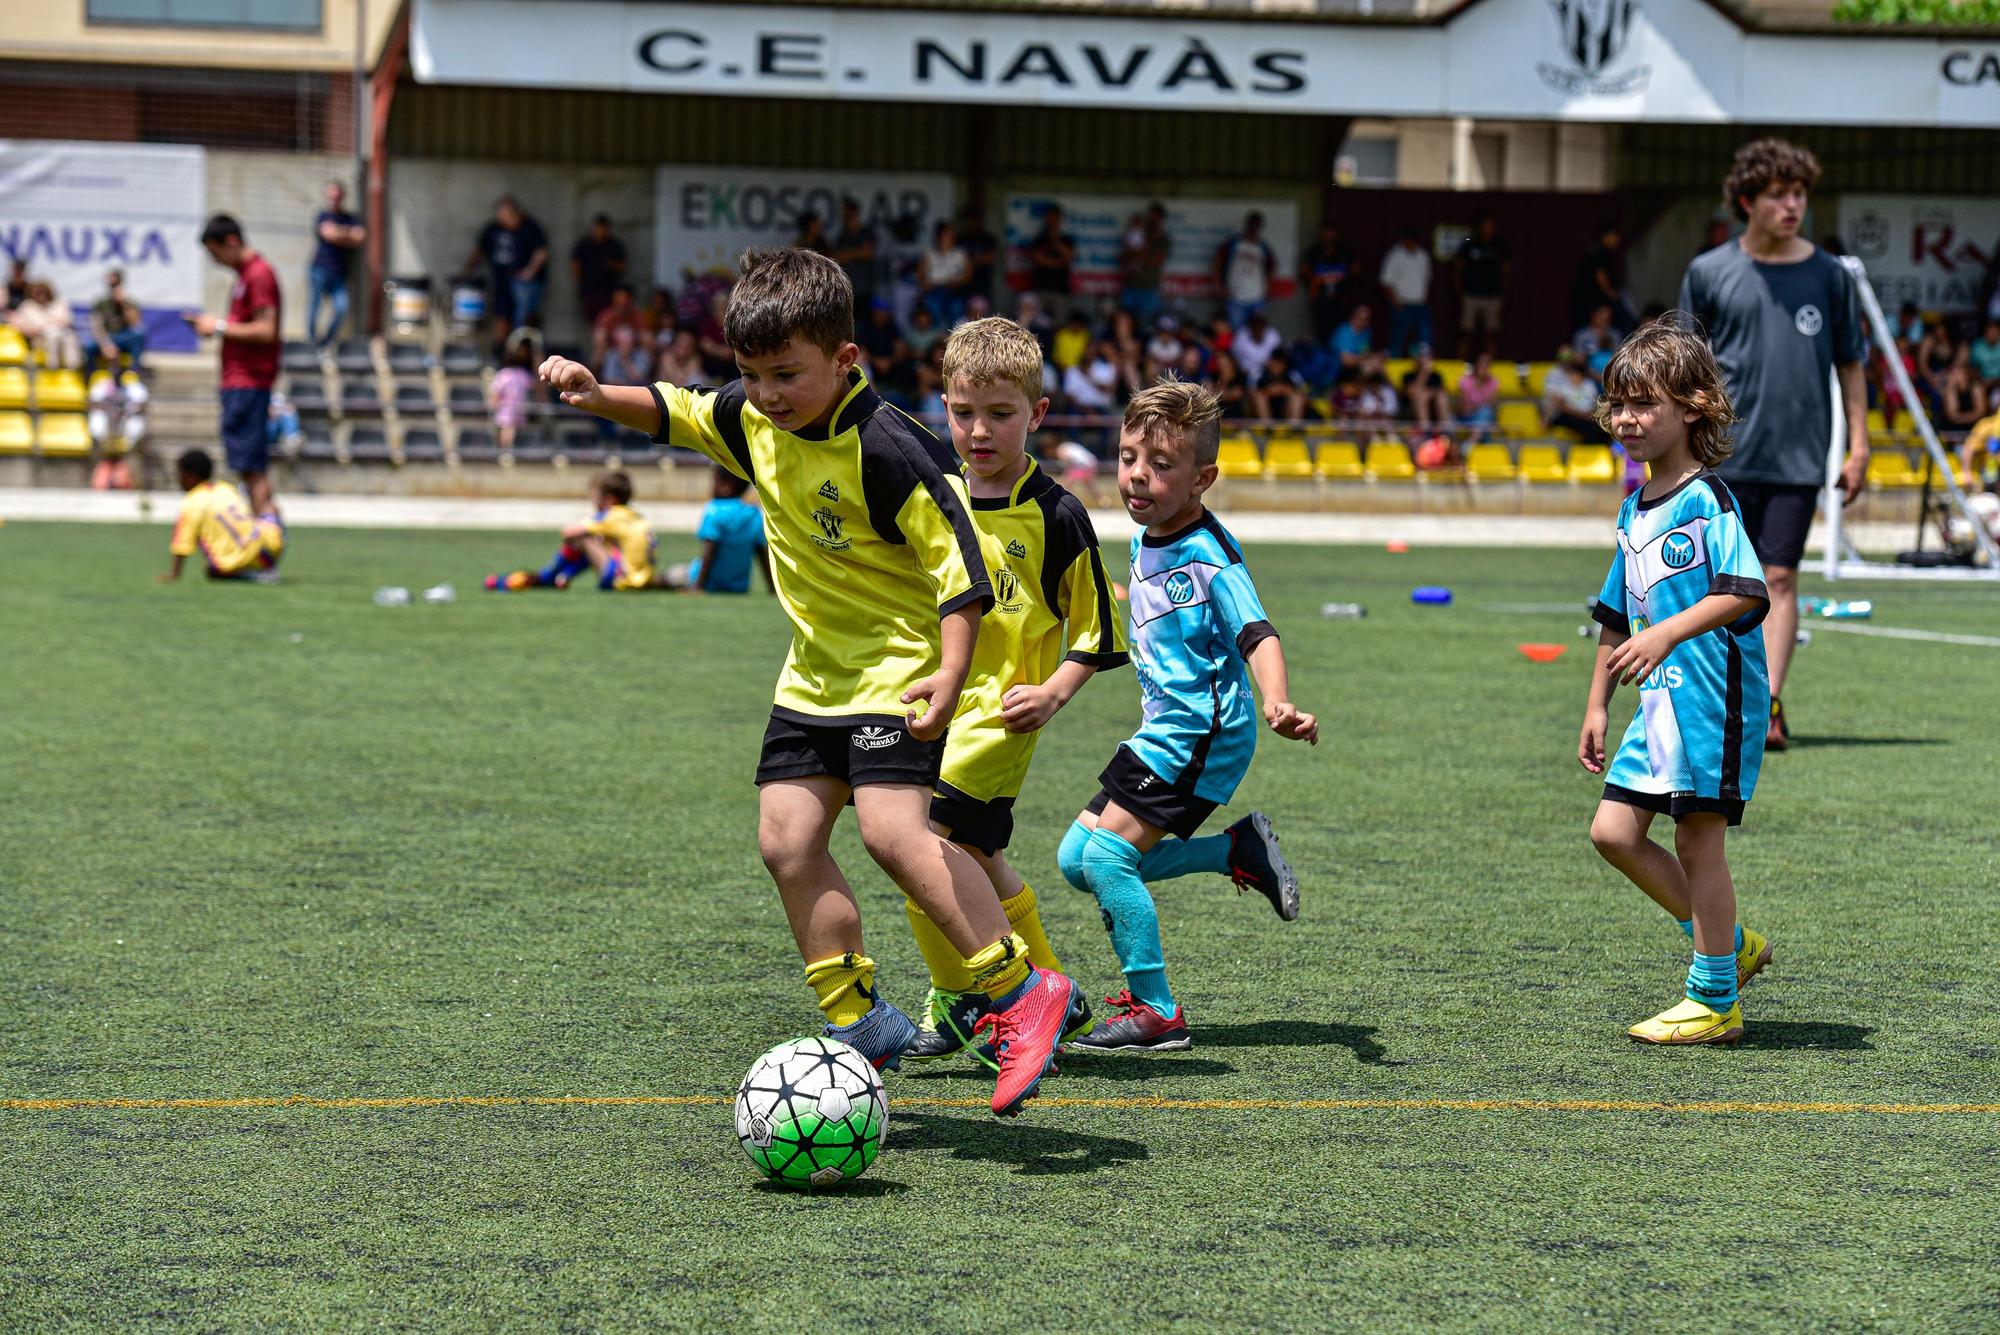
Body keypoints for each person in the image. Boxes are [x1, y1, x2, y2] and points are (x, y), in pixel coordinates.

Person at [535, 246, 1078, 1116]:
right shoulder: (753, 418)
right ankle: (861, 1022)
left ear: (846, 360)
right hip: (813, 679)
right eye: (752, 374)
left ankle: (1020, 993)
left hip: (898, 671)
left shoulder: (892, 448)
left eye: (787, 374)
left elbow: (960, 573)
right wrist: (600, 396)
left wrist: (948, 672)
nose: (768, 394)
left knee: (896, 836)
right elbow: (676, 410)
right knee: (786, 840)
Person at [1052, 381, 1317, 1053]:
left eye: (1161, 464)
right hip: (1164, 728)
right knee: (1076, 859)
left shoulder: (1209, 554)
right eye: (1128, 456)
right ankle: (1235, 849)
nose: (1138, 475)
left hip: (1203, 733)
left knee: (1110, 859)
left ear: (1203, 478)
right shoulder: (1147, 538)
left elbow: (1258, 631)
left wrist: (1276, 698)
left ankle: (1156, 1010)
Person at [898, 317, 1127, 1063]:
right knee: (980, 860)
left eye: (1000, 414)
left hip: (1001, 714)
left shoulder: (1059, 513)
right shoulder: (934, 497)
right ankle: (1052, 990)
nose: (978, 430)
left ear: (1038, 415)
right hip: (936, 703)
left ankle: (972, 998)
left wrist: (1053, 692)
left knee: (919, 845)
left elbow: (1098, 632)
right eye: (963, 413)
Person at [1579, 317, 1775, 1047]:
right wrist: (1597, 704)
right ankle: (1731, 944)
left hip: (1713, 701)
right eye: (1618, 404)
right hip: (1658, 708)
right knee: (1613, 831)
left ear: (1693, 406)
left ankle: (1714, 997)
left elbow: (1745, 591)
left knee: (1698, 842)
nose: (1627, 419)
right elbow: (1611, 614)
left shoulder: (1707, 500)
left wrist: (1665, 631)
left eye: (1644, 403)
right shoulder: (1635, 509)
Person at [1678, 137, 1868, 752]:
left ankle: (1769, 707)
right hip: (1720, 456)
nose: (1793, 206)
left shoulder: (1830, 275)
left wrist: (1859, 446)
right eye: (1779, 195)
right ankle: (1715, 701)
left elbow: (1851, 364)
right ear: (1746, 201)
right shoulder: (1708, 272)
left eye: (1800, 194)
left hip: (1797, 455)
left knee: (1780, 577)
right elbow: (1682, 365)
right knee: (1716, 585)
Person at [186, 215, 282, 521]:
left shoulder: (258, 275)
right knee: (248, 468)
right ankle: (262, 545)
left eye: (215, 253)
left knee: (252, 470)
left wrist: (218, 326)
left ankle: (267, 550)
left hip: (249, 382)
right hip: (240, 383)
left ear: (231, 242)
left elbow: (267, 329)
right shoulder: (245, 277)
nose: (215, 261)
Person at [485, 470, 660, 592]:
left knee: (583, 539)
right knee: (597, 541)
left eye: (594, 497)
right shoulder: (635, 516)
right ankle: (563, 577)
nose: (592, 503)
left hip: (621, 581)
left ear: (608, 500)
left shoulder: (611, 515)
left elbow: (568, 533)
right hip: (644, 581)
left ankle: (547, 577)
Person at [158, 448, 284, 584]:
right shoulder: (226, 488)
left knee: (213, 569)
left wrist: (174, 575)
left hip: (237, 562)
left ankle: (249, 574)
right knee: (271, 509)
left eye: (180, 474)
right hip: (269, 551)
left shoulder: (191, 503)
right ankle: (263, 568)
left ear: (191, 476)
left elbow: (181, 546)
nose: (178, 478)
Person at [461, 196, 550, 351]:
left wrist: (529, 271)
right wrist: (466, 272)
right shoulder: (493, 229)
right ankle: (501, 356)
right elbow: (479, 251)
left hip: (524, 285)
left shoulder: (530, 227)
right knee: (501, 318)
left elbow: (541, 252)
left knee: (522, 320)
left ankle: (521, 355)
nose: (504, 220)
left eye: (507, 216)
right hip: (501, 282)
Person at [666, 468, 770, 595]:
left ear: (726, 486)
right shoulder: (754, 514)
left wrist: (698, 586)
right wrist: (773, 587)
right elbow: (761, 553)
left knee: (666, 578)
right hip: (737, 587)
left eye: (714, 481)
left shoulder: (714, 510)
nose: (711, 487)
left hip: (704, 581)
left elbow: (709, 552)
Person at [307, 181, 365, 349]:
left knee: (342, 307)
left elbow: (359, 238)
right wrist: (347, 234)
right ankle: (311, 344)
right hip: (319, 269)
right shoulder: (322, 216)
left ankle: (325, 342)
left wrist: (338, 233)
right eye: (331, 196)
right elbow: (329, 234)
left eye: (337, 196)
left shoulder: (350, 218)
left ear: (342, 197)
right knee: (314, 309)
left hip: (339, 273)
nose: (334, 199)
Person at [1455, 215, 1510, 356]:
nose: (1487, 230)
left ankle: (1489, 368)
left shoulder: (1499, 245)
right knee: (1465, 331)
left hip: (1492, 295)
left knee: (1490, 333)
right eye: (1485, 226)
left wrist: (1502, 291)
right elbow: (1459, 266)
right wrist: (1460, 289)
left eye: (1490, 227)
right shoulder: (1469, 242)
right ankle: (1461, 364)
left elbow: (1506, 269)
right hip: (1471, 294)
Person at [1214, 211, 1275, 330]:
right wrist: (1219, 286)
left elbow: (1271, 267)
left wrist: (1266, 287)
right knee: (1237, 332)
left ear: (1260, 227)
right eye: (1251, 225)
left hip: (1256, 296)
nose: (1253, 228)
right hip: (1234, 295)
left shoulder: (1263, 246)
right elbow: (1217, 264)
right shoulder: (1233, 243)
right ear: (1246, 225)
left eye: (1256, 225)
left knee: (1256, 330)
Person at [1380, 227, 1433, 358]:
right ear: (1403, 241)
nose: (1411, 244)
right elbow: (1386, 281)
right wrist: (1395, 302)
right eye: (1408, 241)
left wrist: (1424, 298)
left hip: (1419, 304)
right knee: (1398, 338)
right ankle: (1394, 366)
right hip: (1401, 304)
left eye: (1413, 241)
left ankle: (1423, 368)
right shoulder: (1394, 255)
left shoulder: (1423, 255)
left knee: (1424, 339)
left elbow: (1427, 279)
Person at [84, 269, 146, 377]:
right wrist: (106, 344)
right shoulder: (101, 303)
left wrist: (124, 304)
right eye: (111, 285)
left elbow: (135, 323)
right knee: (88, 347)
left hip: (123, 337)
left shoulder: (129, 303)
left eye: (116, 285)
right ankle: (91, 375)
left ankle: (134, 370)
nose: (114, 288)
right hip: (107, 337)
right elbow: (96, 327)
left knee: (139, 335)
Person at [1572, 222, 1634, 330]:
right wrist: (1612, 295)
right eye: (1615, 237)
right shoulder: (1599, 252)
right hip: (1592, 302)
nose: (1617, 241)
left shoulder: (1598, 252)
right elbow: (1600, 276)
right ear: (1607, 236)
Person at [9, 280, 82, 370]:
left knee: (69, 337)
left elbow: (68, 320)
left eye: (43, 291)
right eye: (37, 292)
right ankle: (52, 370)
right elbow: (14, 322)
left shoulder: (59, 303)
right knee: (53, 337)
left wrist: (53, 325)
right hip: (40, 339)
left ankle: (72, 370)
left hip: (62, 336)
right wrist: (32, 330)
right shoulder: (27, 306)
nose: (41, 295)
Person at [569, 214, 627, 327]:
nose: (600, 231)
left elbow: (622, 267)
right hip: (589, 291)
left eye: (603, 228)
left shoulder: (614, 245)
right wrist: (581, 281)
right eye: (598, 227)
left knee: (609, 321)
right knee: (593, 322)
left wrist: (610, 264)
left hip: (609, 290)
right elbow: (575, 266)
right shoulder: (584, 245)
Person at [1301, 222, 1354, 344]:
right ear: (1321, 235)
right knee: (1321, 331)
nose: (1329, 237)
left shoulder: (1344, 251)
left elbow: (1354, 270)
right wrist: (1314, 284)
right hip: (1321, 299)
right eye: (1326, 234)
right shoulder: (1313, 252)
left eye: (1331, 234)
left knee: (1340, 330)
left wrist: (1343, 282)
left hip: (1340, 298)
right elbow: (1305, 272)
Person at [1119, 203, 1171, 326]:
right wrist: (1138, 252)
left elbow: (1155, 261)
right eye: (1151, 218)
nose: (1153, 221)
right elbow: (1123, 258)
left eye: (1156, 218)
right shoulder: (1136, 235)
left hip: (1150, 288)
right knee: (1125, 322)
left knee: (1147, 324)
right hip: (1131, 285)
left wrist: (1137, 253)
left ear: (1162, 220)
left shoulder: (1163, 240)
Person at [1541, 347, 1608, 442]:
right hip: (1562, 414)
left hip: (1584, 414)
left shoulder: (1587, 383)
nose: (1567, 362)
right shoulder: (1557, 376)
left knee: (1602, 426)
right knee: (1590, 428)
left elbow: (1594, 402)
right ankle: (1585, 451)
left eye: (1569, 359)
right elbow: (1559, 403)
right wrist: (1545, 419)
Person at [918, 220, 971, 329]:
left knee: (956, 308)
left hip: (954, 290)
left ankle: (954, 340)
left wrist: (957, 282)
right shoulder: (930, 253)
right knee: (934, 307)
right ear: (939, 236)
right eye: (946, 235)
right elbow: (920, 273)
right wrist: (925, 284)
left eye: (951, 235)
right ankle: (938, 339)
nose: (949, 238)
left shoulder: (960, 253)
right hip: (935, 290)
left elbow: (968, 274)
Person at [1027, 204, 1076, 314]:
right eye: (1049, 217)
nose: (1051, 220)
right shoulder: (1039, 239)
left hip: (1060, 289)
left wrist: (1055, 241)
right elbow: (1038, 259)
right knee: (1038, 325)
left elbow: (1069, 257)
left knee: (1060, 324)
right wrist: (1059, 262)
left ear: (1059, 219)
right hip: (1041, 287)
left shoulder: (1066, 239)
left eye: (1054, 217)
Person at [831, 198, 877, 313]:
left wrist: (848, 253)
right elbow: (835, 258)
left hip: (864, 287)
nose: (847, 218)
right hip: (847, 288)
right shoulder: (842, 236)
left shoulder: (866, 233)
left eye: (850, 215)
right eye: (846, 215)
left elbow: (867, 254)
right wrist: (857, 253)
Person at [489, 343, 534, 454]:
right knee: (508, 430)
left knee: (509, 430)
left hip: (513, 410)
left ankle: (507, 452)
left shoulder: (503, 374)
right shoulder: (522, 374)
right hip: (513, 409)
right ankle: (506, 452)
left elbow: (495, 394)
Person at [1455, 352, 1500, 440]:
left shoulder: (1494, 382)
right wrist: (1480, 404)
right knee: (1484, 412)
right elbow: (1464, 408)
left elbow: (1492, 405)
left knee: (1486, 412)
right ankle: (1472, 440)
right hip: (1466, 418)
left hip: (1483, 420)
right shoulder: (1465, 381)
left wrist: (1477, 405)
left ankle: (1472, 440)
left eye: (1487, 365)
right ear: (1476, 365)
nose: (1484, 367)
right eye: (1482, 364)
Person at [1572, 302, 1624, 375]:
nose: (1605, 317)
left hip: (1611, 375)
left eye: (1608, 317)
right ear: (1593, 316)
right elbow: (1577, 359)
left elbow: (1619, 358)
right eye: (1601, 314)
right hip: (1588, 376)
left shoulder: (1615, 334)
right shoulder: (1582, 335)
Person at [1331, 305, 1374, 381]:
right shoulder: (1345, 332)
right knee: (1368, 367)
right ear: (1352, 317)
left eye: (1366, 319)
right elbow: (1347, 362)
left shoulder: (1366, 332)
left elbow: (1365, 351)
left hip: (1354, 365)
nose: (1362, 321)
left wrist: (1372, 357)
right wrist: (1367, 358)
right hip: (1336, 367)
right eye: (1358, 318)